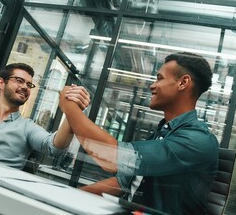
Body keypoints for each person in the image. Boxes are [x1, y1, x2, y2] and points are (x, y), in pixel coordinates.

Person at [59, 52, 219, 214]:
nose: (152, 86)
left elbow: (111, 157)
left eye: (160, 78)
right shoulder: (164, 133)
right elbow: (123, 182)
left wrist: (69, 106)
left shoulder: (197, 140)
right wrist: (67, 198)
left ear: (183, 83)